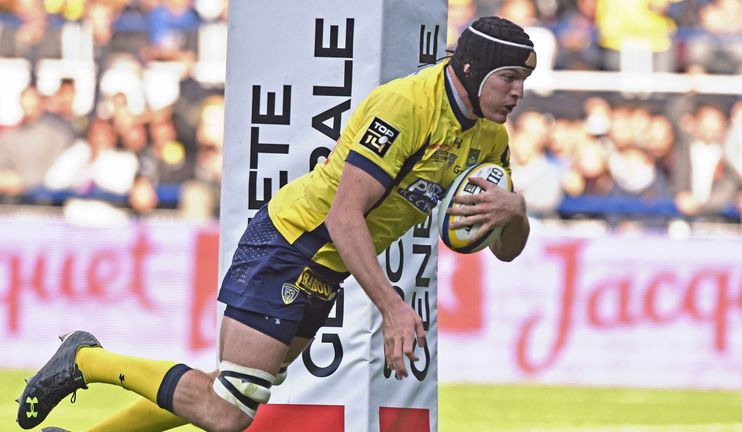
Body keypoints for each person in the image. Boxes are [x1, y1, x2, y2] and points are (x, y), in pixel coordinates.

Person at [17, 16, 533, 432]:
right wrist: (393, 308)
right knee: (229, 410)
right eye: (508, 79)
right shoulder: (406, 105)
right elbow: (343, 214)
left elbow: (505, 250)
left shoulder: (490, 140)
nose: (517, 94)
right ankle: (86, 360)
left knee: (228, 389)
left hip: (326, 264)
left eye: (523, 82)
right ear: (471, 68)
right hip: (295, 239)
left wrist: (516, 211)